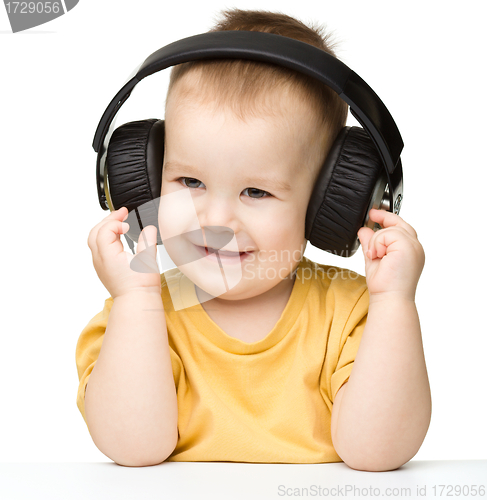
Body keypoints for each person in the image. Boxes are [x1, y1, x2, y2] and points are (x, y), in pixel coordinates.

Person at [76, 8, 431, 470]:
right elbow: (133, 448)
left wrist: (394, 304)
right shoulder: (136, 315)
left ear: (330, 204)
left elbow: (377, 454)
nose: (217, 218)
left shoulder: (354, 315)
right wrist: (134, 300)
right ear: (146, 177)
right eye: (190, 182)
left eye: (256, 191)